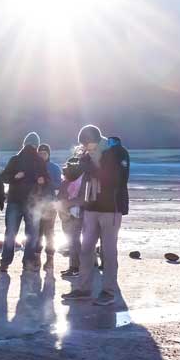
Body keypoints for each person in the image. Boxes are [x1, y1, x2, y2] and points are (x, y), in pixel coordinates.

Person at [63, 127, 130, 306]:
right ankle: (83, 288)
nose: (86, 148)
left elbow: (116, 180)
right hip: (91, 206)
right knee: (86, 250)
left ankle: (108, 291)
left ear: (96, 140)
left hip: (111, 208)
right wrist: (70, 170)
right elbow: (75, 176)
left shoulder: (116, 152)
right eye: (84, 145)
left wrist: (90, 168)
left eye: (89, 144)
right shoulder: (88, 154)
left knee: (108, 251)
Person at [0, 132, 47, 273]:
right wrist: (15, 176)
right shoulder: (19, 160)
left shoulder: (33, 161)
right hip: (21, 202)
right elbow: (4, 177)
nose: (31, 149)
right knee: (26, 233)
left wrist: (42, 180)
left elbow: (47, 179)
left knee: (14, 233)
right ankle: (22, 262)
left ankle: (9, 262)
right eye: (31, 145)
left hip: (27, 202)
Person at [58, 146, 87, 279]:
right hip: (66, 214)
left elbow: (83, 198)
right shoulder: (66, 181)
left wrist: (69, 205)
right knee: (72, 240)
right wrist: (64, 209)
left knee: (74, 240)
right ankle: (75, 266)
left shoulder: (83, 179)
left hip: (78, 213)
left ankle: (76, 267)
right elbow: (60, 196)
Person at [37, 143, 63, 271]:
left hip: (50, 204)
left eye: (44, 153)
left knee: (49, 232)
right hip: (35, 204)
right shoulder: (33, 167)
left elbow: (59, 185)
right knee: (37, 233)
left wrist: (47, 182)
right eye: (40, 153)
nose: (42, 155)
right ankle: (36, 258)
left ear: (48, 154)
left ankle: (50, 259)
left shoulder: (54, 168)